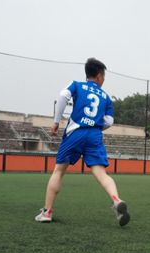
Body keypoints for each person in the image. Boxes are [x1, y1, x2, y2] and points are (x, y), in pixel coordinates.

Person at [35, 58, 130, 226]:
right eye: (104, 76)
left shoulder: (77, 85)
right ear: (99, 76)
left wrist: (56, 122)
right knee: (101, 173)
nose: (104, 79)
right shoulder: (106, 97)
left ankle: (47, 212)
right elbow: (109, 121)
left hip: (75, 132)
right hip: (94, 135)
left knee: (59, 171)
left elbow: (63, 96)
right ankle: (116, 200)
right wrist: (95, 126)